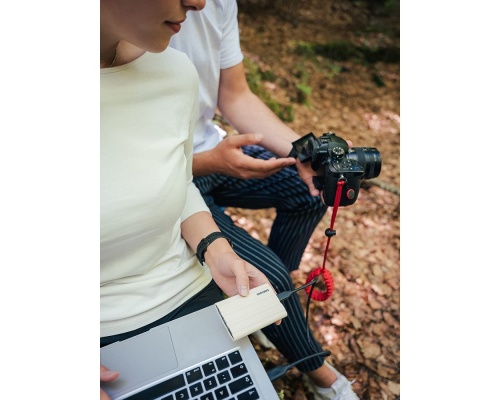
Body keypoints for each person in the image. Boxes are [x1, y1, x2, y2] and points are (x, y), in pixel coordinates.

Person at [169, 1, 359, 398]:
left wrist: (302, 152)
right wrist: (208, 163)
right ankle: (316, 370)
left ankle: (276, 314)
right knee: (266, 278)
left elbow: (235, 95)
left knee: (307, 193)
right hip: (174, 178)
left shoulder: (218, 5)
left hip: (216, 151)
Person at [100, 0, 275, 399]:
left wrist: (216, 251)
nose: (198, 2)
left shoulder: (174, 72)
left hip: (188, 295)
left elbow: (176, 180)